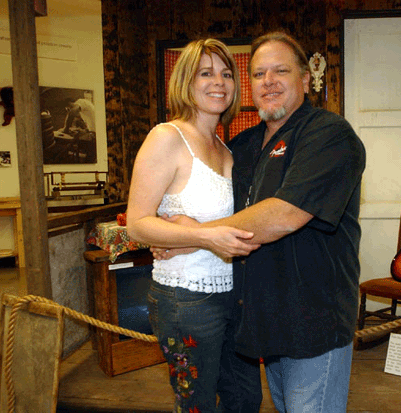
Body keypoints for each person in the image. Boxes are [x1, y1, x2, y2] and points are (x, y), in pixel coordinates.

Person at [157, 32, 366, 412]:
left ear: (305, 79)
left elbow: (284, 214)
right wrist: (171, 226)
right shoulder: (242, 146)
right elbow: (217, 206)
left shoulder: (330, 134)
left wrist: (191, 237)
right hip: (264, 322)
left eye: (280, 71)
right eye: (257, 74)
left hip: (313, 322)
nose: (268, 81)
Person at [126, 38, 261, 413]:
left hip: (232, 295)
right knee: (197, 405)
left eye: (226, 73)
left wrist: (193, 235)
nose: (218, 82)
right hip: (185, 298)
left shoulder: (226, 148)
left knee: (245, 398)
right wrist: (201, 236)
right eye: (206, 73)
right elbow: (137, 225)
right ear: (186, 81)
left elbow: (235, 223)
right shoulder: (167, 138)